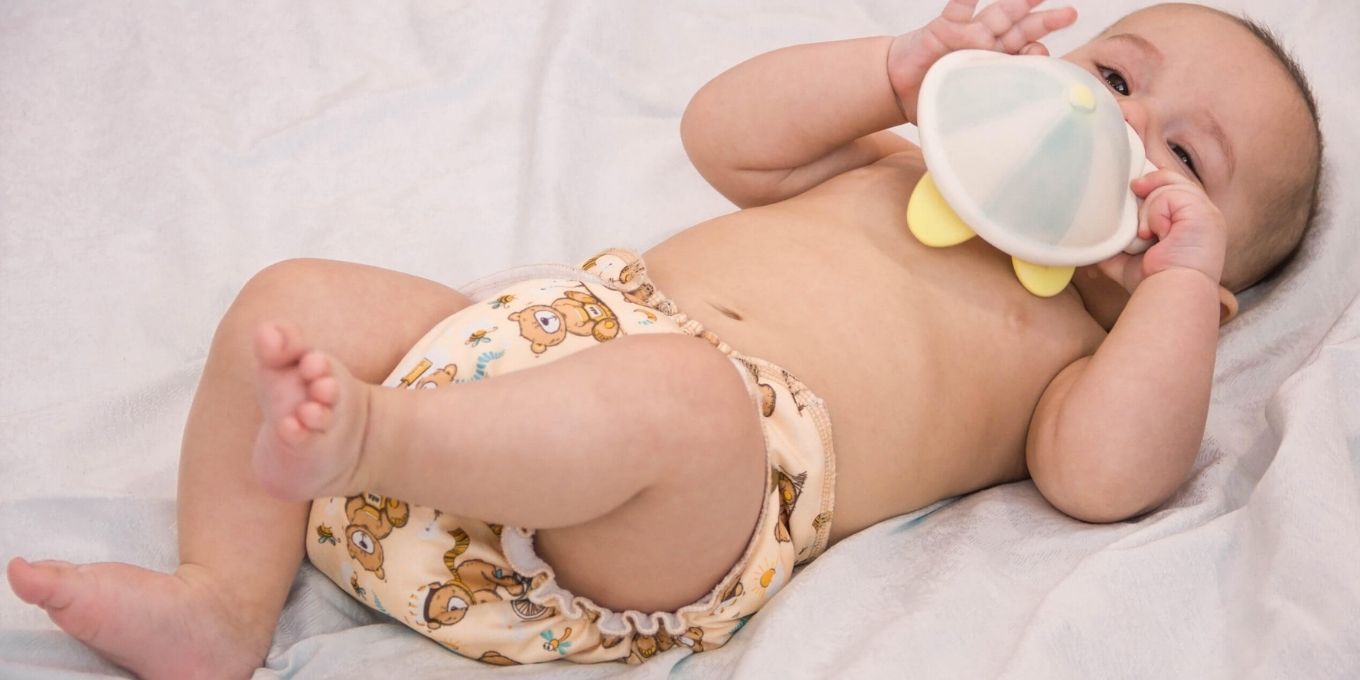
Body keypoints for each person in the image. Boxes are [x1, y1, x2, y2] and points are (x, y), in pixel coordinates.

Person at [5, 1, 1324, 676]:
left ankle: (374, 435)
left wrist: (1167, 296)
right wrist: (896, 73)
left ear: (1207, 296)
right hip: (548, 339)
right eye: (1113, 74)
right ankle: (224, 603)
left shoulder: (1076, 355)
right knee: (296, 300)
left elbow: (1112, 475)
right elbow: (721, 136)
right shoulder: (885, 157)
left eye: (1186, 158)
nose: (1124, 129)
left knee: (679, 397)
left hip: (682, 503)